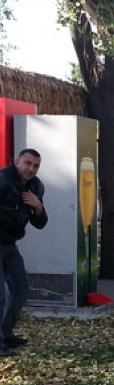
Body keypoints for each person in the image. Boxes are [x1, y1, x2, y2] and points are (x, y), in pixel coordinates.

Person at [0, 148, 48, 358]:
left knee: (21, 288)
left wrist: (38, 207)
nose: (31, 169)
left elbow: (40, 223)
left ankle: (6, 333)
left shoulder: (36, 187)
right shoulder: (3, 180)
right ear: (17, 162)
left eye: (36, 165)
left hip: (10, 243)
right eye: (27, 163)